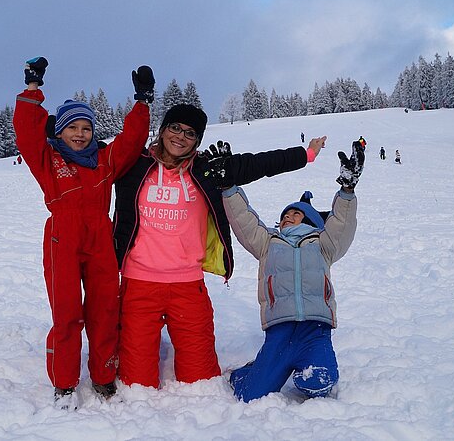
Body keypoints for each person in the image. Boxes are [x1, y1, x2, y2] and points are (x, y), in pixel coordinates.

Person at [113, 106, 327, 389]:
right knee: (136, 383)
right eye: (175, 128)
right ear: (163, 129)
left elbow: (258, 164)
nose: (180, 137)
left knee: (200, 380)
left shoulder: (208, 169)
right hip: (138, 282)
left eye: (190, 133)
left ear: (198, 140)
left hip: (188, 285)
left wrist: (306, 155)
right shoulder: (134, 164)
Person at [13, 56, 153, 410]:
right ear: (58, 132)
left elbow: (132, 141)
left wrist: (142, 101)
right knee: (67, 311)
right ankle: (64, 383)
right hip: (63, 236)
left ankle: (104, 377)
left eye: (86, 128)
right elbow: (27, 132)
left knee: (106, 308)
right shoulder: (48, 159)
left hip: (100, 238)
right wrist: (33, 88)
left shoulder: (105, 160)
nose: (80, 134)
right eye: (72, 128)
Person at [223, 139, 363, 402]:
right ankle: (252, 371)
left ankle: (297, 366)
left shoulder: (323, 243)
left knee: (318, 381)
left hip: (315, 330)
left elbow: (342, 224)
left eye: (295, 214)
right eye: (285, 214)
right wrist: (229, 188)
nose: (288, 217)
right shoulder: (268, 242)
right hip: (280, 330)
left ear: (309, 220)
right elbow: (244, 220)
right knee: (251, 395)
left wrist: (347, 190)